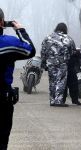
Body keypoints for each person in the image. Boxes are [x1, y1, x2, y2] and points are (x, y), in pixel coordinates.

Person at [0, 8, 36, 150]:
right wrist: (20, 30)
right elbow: (30, 50)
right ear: (2, 22)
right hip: (2, 101)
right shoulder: (8, 43)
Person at [41, 23, 72, 107]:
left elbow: (43, 51)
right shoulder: (67, 38)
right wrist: (67, 58)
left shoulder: (47, 37)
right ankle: (58, 101)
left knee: (52, 81)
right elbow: (71, 50)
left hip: (51, 63)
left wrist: (43, 63)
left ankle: (52, 100)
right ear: (65, 29)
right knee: (61, 81)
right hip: (62, 63)